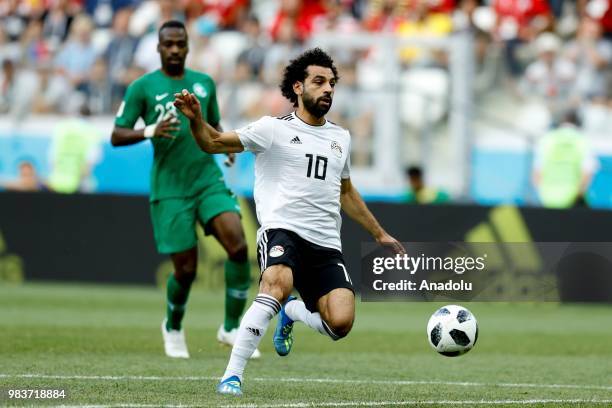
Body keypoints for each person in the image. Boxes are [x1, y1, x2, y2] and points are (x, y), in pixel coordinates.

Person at [173, 48, 405, 396]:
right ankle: (231, 376)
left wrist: (380, 234)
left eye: (332, 83)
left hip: (326, 243)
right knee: (275, 284)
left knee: (340, 323)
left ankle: (293, 312)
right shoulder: (272, 129)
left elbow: (346, 193)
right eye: (319, 82)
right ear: (298, 87)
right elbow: (213, 142)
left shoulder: (341, 137)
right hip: (283, 230)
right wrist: (195, 119)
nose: (328, 89)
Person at [111, 20, 259, 359]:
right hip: (170, 188)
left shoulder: (204, 83)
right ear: (159, 48)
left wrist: (227, 145)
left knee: (237, 245)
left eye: (180, 44)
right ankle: (173, 326)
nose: (175, 49)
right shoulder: (142, 88)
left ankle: (232, 327)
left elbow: (215, 125)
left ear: (188, 46)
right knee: (186, 270)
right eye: (169, 44)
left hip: (207, 179)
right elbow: (117, 135)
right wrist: (150, 131)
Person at [532, 110, 599, 208]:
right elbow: (588, 171)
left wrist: (543, 193)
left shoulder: (547, 138)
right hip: (572, 198)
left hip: (547, 198)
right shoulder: (582, 139)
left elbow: (536, 173)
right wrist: (579, 193)